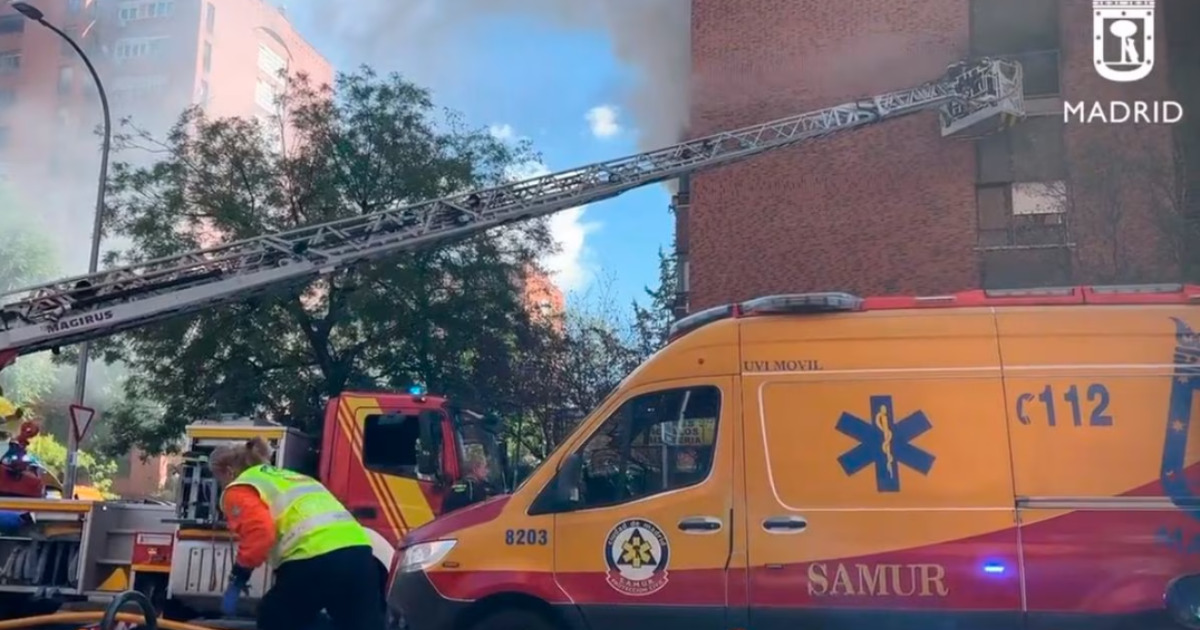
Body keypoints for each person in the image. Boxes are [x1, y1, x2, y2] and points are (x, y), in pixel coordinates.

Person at [209, 437, 386, 630]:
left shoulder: (240, 488)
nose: (221, 484)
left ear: (228, 471)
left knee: (274, 617)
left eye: (219, 478)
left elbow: (260, 532)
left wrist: (239, 575)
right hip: (359, 553)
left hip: (313, 556)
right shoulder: (290, 477)